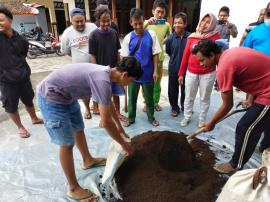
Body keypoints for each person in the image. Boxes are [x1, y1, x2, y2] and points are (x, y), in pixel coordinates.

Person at [36, 56, 143, 201]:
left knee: (78, 129)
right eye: (130, 81)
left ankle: (88, 160)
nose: (128, 84)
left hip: (68, 96)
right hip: (51, 97)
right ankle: (73, 188)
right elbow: (105, 122)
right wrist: (124, 144)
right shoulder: (102, 79)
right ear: (124, 75)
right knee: (67, 144)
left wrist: (120, 127)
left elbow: (108, 102)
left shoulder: (106, 75)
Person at [192, 40, 270, 174]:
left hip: (268, 94)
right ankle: (266, 146)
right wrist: (250, 99)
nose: (201, 65)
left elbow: (227, 105)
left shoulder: (224, 68)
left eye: (202, 60)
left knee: (245, 127)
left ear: (211, 55)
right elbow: (256, 76)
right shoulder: (229, 53)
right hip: (265, 86)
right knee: (264, 120)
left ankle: (235, 164)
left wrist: (211, 123)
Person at [0, 6, 43, 138]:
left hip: (23, 77)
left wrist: (22, 70)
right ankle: (20, 127)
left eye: (1, 20)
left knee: (28, 99)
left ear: (10, 20)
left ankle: (34, 117)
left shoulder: (21, 39)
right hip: (6, 81)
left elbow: (23, 54)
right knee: (11, 106)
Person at [120, 8, 161, 127]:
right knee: (132, 98)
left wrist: (155, 71)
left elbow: (155, 54)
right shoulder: (128, 38)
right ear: (131, 23)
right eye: (135, 24)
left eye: (140, 23)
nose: (138, 26)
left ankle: (151, 117)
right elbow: (124, 58)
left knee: (149, 99)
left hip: (148, 73)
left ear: (144, 20)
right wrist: (125, 74)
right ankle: (131, 118)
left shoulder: (151, 35)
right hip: (133, 75)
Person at [178, 13, 220, 128]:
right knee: (188, 96)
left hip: (208, 73)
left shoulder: (216, 37)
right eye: (203, 21)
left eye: (208, 22)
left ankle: (202, 119)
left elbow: (217, 57)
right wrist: (181, 73)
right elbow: (185, 55)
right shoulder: (192, 36)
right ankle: (186, 117)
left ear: (212, 24)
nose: (204, 24)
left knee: (204, 97)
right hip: (191, 72)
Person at [89, 7, 127, 122]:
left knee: (116, 93)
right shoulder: (93, 35)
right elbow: (93, 56)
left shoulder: (114, 33)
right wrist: (96, 71)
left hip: (114, 69)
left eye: (108, 20)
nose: (106, 23)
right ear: (98, 21)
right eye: (103, 21)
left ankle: (117, 113)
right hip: (101, 71)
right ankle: (104, 117)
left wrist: (119, 67)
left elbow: (117, 51)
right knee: (104, 95)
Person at [61, 8, 97, 119]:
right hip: (79, 69)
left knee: (96, 87)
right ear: (71, 21)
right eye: (77, 22)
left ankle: (95, 106)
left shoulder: (93, 27)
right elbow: (66, 51)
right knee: (83, 90)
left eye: (82, 20)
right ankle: (87, 108)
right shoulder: (67, 34)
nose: (80, 24)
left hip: (95, 65)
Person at [144, 0, 172, 112]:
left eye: (162, 12)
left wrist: (161, 42)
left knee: (157, 83)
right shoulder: (146, 22)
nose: (160, 15)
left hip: (159, 58)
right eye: (158, 12)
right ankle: (147, 103)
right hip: (146, 59)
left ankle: (155, 102)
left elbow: (170, 37)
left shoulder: (166, 25)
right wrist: (147, 24)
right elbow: (137, 31)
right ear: (153, 11)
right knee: (146, 82)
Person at [165, 12, 190, 117]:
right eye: (175, 23)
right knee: (173, 90)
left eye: (180, 23)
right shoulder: (170, 38)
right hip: (173, 68)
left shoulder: (190, 37)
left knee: (186, 90)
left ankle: (185, 107)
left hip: (187, 70)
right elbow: (169, 51)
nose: (176, 25)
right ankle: (174, 108)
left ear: (185, 24)